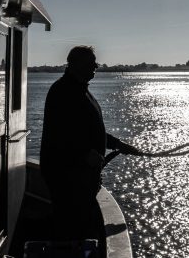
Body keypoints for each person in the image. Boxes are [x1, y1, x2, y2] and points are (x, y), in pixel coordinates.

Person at [39, 45, 140, 241]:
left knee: (78, 226)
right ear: (76, 64)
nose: (96, 66)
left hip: (81, 174)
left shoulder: (80, 90)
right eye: (91, 63)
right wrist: (84, 155)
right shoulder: (63, 91)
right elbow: (60, 134)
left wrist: (118, 144)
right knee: (70, 228)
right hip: (68, 177)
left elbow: (89, 131)